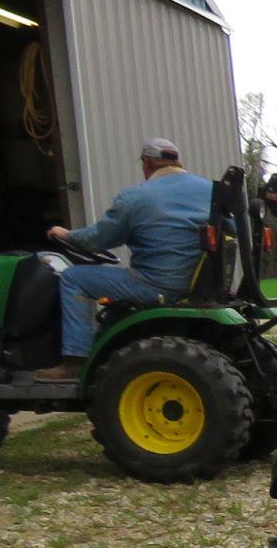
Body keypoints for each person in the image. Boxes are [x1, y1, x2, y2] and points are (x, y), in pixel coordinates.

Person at [26, 138, 211, 379]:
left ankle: (75, 360)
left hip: (155, 285)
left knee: (73, 277)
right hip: (198, 284)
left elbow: (97, 239)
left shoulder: (136, 197)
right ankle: (107, 349)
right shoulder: (210, 190)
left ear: (147, 162)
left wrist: (65, 234)